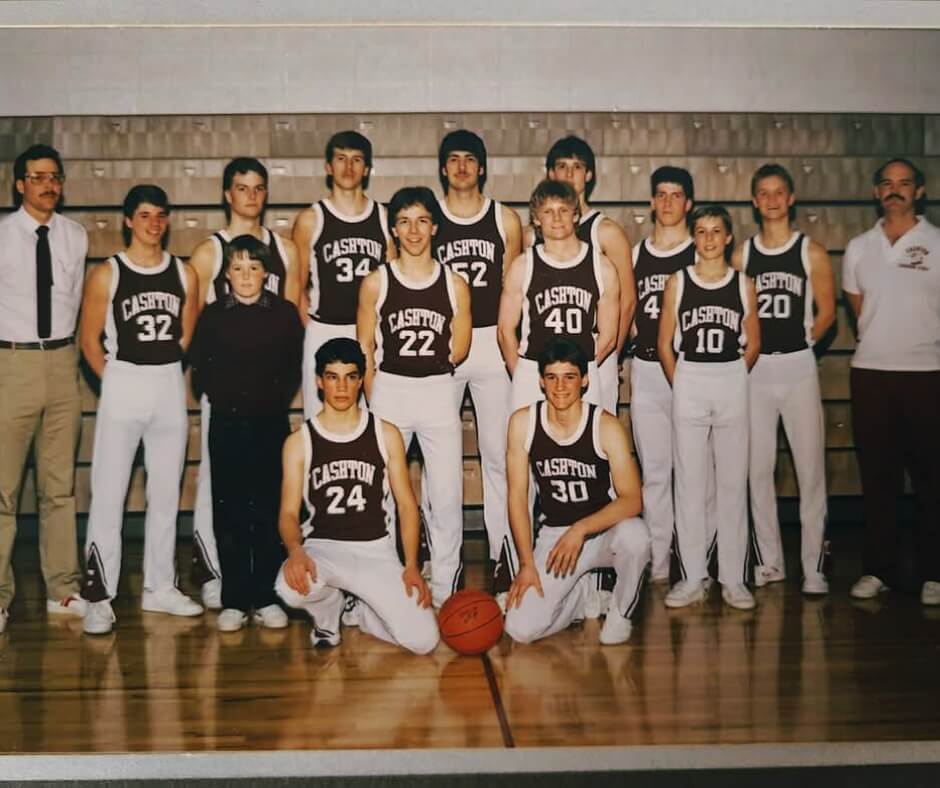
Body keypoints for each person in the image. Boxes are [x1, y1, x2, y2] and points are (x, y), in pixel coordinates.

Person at [79, 184, 202, 635]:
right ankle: (98, 595)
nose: (153, 223)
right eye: (145, 215)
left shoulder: (184, 273)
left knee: (166, 494)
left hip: (167, 382)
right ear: (128, 220)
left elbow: (187, 335)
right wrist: (112, 379)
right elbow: (89, 340)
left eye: (160, 215)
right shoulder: (107, 273)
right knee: (108, 495)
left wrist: (164, 371)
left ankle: (160, 587)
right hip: (124, 381)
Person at [275, 338, 439, 653]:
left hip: (376, 551)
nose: (341, 387)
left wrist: (412, 566)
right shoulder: (299, 441)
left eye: (351, 377)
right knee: (289, 587)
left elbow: (407, 506)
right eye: (333, 377)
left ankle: (363, 610)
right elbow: (288, 514)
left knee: (424, 641)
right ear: (319, 382)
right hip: (324, 549)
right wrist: (295, 551)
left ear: (361, 381)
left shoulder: (385, 433)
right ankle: (328, 614)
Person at [188, 156, 301, 610]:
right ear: (227, 193)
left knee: (268, 498)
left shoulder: (286, 250)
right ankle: (225, 584)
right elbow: (198, 335)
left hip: (268, 404)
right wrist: (216, 388)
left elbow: (291, 335)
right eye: (242, 187)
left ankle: (268, 591)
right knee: (223, 500)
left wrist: (276, 393)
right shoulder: (209, 252)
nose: (250, 196)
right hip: (227, 401)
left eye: (258, 188)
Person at [357, 186, 471, 608]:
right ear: (393, 229)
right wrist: (376, 399)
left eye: (422, 220)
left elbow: (458, 349)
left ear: (435, 227)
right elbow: (364, 348)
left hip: (438, 390)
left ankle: (444, 588)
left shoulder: (455, 284)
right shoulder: (376, 282)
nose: (414, 230)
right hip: (390, 389)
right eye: (404, 221)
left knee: (444, 496)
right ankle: (383, 585)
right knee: (381, 494)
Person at [503, 337, 649, 646]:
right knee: (520, 629)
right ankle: (584, 593)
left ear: (584, 380)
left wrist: (581, 529)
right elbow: (517, 497)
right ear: (541, 381)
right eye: (552, 378)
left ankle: (621, 614)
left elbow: (633, 499)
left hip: (602, 531)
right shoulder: (523, 423)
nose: (560, 387)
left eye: (569, 377)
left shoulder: (605, 426)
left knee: (637, 536)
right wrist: (526, 564)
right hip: (555, 535)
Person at [733, 163, 835, 595]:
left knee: (810, 469)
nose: (772, 200)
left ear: (790, 198)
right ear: (754, 201)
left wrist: (805, 344)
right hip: (755, 369)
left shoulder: (810, 251)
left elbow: (828, 312)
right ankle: (771, 562)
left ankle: (814, 567)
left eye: (779, 192)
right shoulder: (743, 254)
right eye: (763, 193)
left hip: (797, 366)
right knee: (758, 471)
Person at [843, 158, 940, 605]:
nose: (895, 190)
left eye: (904, 184)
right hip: (871, 374)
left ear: (919, 191)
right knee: (878, 478)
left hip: (926, 374)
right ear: (876, 192)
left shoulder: (937, 243)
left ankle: (933, 574)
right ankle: (878, 569)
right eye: (887, 183)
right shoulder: (859, 247)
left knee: (930, 478)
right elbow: (861, 311)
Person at [0, 144, 88, 633]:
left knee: (59, 488)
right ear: (19, 185)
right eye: (37, 177)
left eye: (54, 176)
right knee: (3, 490)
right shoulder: (2, 235)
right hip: (10, 362)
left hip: (60, 362)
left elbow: (71, 302)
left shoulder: (74, 236)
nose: (48, 185)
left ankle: (63, 589)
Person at [433, 129, 523, 600]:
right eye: (454, 159)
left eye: (471, 159)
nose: (463, 167)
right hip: (442, 342)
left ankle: (503, 555)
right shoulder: (428, 220)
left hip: (490, 340)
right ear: (443, 168)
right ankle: (441, 564)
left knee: (497, 456)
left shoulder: (505, 220)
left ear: (482, 167)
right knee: (438, 458)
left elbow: (517, 286)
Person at [658, 205, 760, 611]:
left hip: (731, 376)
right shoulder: (678, 282)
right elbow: (665, 343)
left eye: (717, 231)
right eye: (701, 231)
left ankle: (734, 577)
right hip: (691, 377)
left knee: (734, 481)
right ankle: (693, 576)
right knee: (689, 481)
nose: (709, 238)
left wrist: (733, 375)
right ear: (694, 237)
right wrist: (681, 381)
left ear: (728, 237)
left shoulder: (743, 283)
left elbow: (753, 343)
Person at [630, 166, 710, 585]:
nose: (667, 202)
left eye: (676, 195)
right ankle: (660, 560)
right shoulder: (636, 254)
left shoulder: (701, 253)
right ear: (651, 202)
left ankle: (701, 561)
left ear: (689, 204)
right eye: (660, 194)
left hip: (692, 368)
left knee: (698, 471)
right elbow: (627, 315)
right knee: (656, 472)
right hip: (645, 368)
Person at [293, 131, 391, 419]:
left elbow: (392, 282)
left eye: (357, 160)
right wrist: (312, 329)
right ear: (328, 166)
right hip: (325, 328)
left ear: (367, 169)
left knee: (373, 416)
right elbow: (296, 287)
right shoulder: (311, 219)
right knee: (319, 417)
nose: (348, 168)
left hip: (369, 333)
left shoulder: (383, 217)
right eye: (341, 159)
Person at [498, 180, 619, 411]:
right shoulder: (523, 265)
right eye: (548, 211)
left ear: (575, 215)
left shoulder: (601, 266)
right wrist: (523, 372)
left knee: (586, 445)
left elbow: (609, 336)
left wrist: (584, 368)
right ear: (535, 218)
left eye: (563, 210)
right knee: (527, 444)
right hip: (533, 370)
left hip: (581, 371)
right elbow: (505, 331)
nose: (556, 218)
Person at [543, 136, 636, 414]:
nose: (570, 174)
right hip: (548, 355)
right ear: (550, 173)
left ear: (590, 174)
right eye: (562, 166)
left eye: (578, 167)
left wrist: (611, 355)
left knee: (596, 441)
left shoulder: (606, 231)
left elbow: (628, 301)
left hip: (595, 353)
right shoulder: (536, 233)